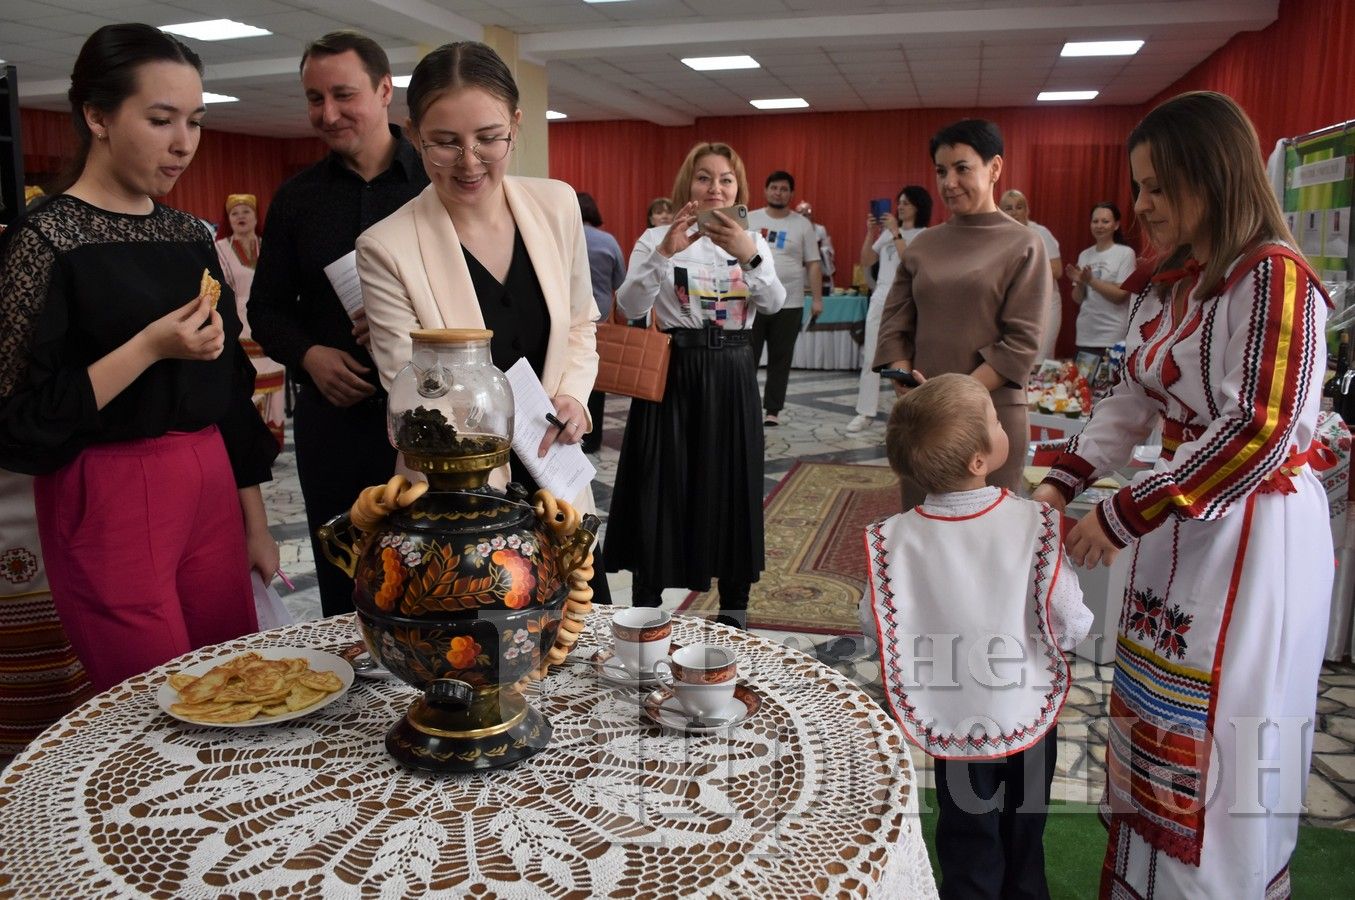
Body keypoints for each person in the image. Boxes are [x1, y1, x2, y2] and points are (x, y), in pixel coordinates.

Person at [1032, 91, 1333, 899]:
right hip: (1177, 527)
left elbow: (1257, 429)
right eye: (1138, 187)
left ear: (1214, 172)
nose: (1142, 207)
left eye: (1158, 186)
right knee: (1160, 711)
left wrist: (1126, 512)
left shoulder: (1273, 278)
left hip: (1250, 533)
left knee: (1229, 731)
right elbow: (1127, 399)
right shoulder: (1177, 283)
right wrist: (1063, 481)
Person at [0, 23, 279, 691]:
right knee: (153, 697)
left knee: (236, 681)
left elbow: (230, 388)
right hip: (108, 488)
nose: (183, 142)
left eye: (194, 120)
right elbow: (18, 418)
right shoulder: (45, 241)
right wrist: (149, 348)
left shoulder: (186, 234)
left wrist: (255, 523)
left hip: (208, 474)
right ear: (97, 115)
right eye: (160, 120)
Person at [355, 41, 609, 605]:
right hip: (461, 495)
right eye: (445, 142)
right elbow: (416, 390)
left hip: (557, 477)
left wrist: (572, 397)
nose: (470, 162)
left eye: (489, 138)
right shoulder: (387, 247)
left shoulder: (557, 205)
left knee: (577, 643)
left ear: (516, 125)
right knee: (485, 657)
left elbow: (579, 325)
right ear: (414, 133)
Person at [864, 374, 1090, 900]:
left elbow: (877, 623)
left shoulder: (896, 539)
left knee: (967, 830)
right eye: (993, 418)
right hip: (1027, 706)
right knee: (1026, 822)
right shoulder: (1035, 522)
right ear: (978, 461)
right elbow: (1067, 618)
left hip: (954, 716)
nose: (999, 420)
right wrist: (1068, 636)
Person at [249, 30, 429, 616]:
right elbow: (266, 309)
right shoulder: (297, 198)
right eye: (314, 98)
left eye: (343, 95)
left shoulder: (437, 184)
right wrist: (310, 356)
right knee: (345, 578)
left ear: (383, 91)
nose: (327, 114)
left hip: (433, 418)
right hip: (335, 420)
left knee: (434, 573)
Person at [606, 142, 786, 628]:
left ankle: (735, 611)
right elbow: (631, 304)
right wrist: (665, 252)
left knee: (733, 482)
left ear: (738, 188)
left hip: (733, 373)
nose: (715, 188)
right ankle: (646, 607)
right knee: (662, 483)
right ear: (689, 183)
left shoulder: (754, 241)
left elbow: (773, 303)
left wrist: (749, 256)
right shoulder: (656, 237)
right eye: (704, 178)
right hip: (675, 373)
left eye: (725, 179)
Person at [874, 119, 1050, 510]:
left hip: (991, 417)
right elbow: (895, 325)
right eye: (941, 171)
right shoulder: (924, 246)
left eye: (962, 168)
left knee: (987, 539)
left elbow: (1020, 345)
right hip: (923, 418)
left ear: (995, 168)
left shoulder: (1024, 245)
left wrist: (951, 400)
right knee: (923, 532)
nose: (949, 182)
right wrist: (903, 377)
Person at [849, 184, 932, 432]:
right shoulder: (886, 234)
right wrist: (870, 232)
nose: (901, 207)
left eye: (906, 202)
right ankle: (865, 412)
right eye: (900, 202)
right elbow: (866, 261)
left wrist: (896, 233)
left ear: (919, 206)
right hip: (881, 296)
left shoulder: (924, 234)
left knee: (907, 359)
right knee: (871, 356)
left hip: (908, 299)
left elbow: (910, 262)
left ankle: (913, 411)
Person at [748, 170, 821, 426]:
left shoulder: (802, 224)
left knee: (781, 358)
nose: (778, 192)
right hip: (753, 302)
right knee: (748, 358)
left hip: (791, 303)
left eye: (784, 189)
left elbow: (813, 263)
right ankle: (746, 406)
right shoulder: (751, 219)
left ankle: (772, 411)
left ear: (791, 194)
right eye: (774, 187)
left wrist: (818, 300)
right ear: (766, 190)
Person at [215, 193, 285, 449]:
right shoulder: (220, 249)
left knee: (274, 386)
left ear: (256, 217)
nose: (241, 217)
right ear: (228, 219)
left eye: (246, 212)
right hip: (238, 325)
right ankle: (251, 445)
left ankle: (273, 443)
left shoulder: (268, 246)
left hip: (268, 323)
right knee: (247, 385)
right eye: (235, 213)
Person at [576, 191, 625, 454]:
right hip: (601, 319)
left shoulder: (561, 237)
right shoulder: (608, 241)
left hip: (569, 318)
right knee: (595, 380)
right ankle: (592, 439)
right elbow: (620, 281)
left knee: (569, 376)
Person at [1064, 202, 1136, 359]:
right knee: (1083, 382)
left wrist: (1091, 281)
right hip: (1086, 334)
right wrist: (1081, 282)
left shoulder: (1125, 253)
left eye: (1105, 221)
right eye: (1095, 221)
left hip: (1113, 335)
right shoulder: (1085, 255)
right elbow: (1078, 298)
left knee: (1110, 382)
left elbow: (1120, 295)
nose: (1099, 226)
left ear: (1116, 225)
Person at [1000, 189, 1063, 360]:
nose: (1014, 212)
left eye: (1019, 207)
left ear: (1027, 210)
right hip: (1015, 307)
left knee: (1039, 361)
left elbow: (1057, 270)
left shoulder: (1040, 233)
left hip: (1044, 306)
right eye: (1008, 208)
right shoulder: (999, 236)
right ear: (1000, 212)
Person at [794, 199, 835, 295]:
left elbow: (828, 250)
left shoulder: (820, 229)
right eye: (801, 215)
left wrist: (819, 250)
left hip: (815, 267)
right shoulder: (791, 229)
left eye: (806, 215)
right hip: (798, 270)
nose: (804, 218)